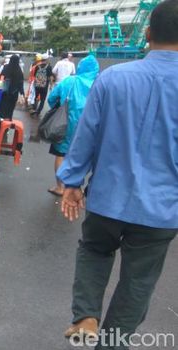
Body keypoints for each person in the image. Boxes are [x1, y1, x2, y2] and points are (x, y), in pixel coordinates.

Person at [59, 1, 178, 346]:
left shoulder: (112, 78)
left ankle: (86, 315)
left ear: (148, 34)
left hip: (107, 200)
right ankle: (113, 342)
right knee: (138, 281)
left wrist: (71, 183)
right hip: (162, 210)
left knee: (95, 250)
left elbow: (86, 135)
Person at [46, 55, 99, 197]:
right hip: (91, 125)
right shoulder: (99, 82)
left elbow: (51, 99)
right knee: (84, 155)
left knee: (61, 154)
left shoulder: (70, 81)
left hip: (66, 122)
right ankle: (77, 187)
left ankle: (60, 187)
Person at [0, 55, 25, 120]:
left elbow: (1, 78)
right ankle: (7, 124)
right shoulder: (19, 71)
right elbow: (20, 84)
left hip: (4, 93)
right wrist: (22, 94)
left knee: (1, 108)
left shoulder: (6, 67)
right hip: (13, 94)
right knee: (10, 110)